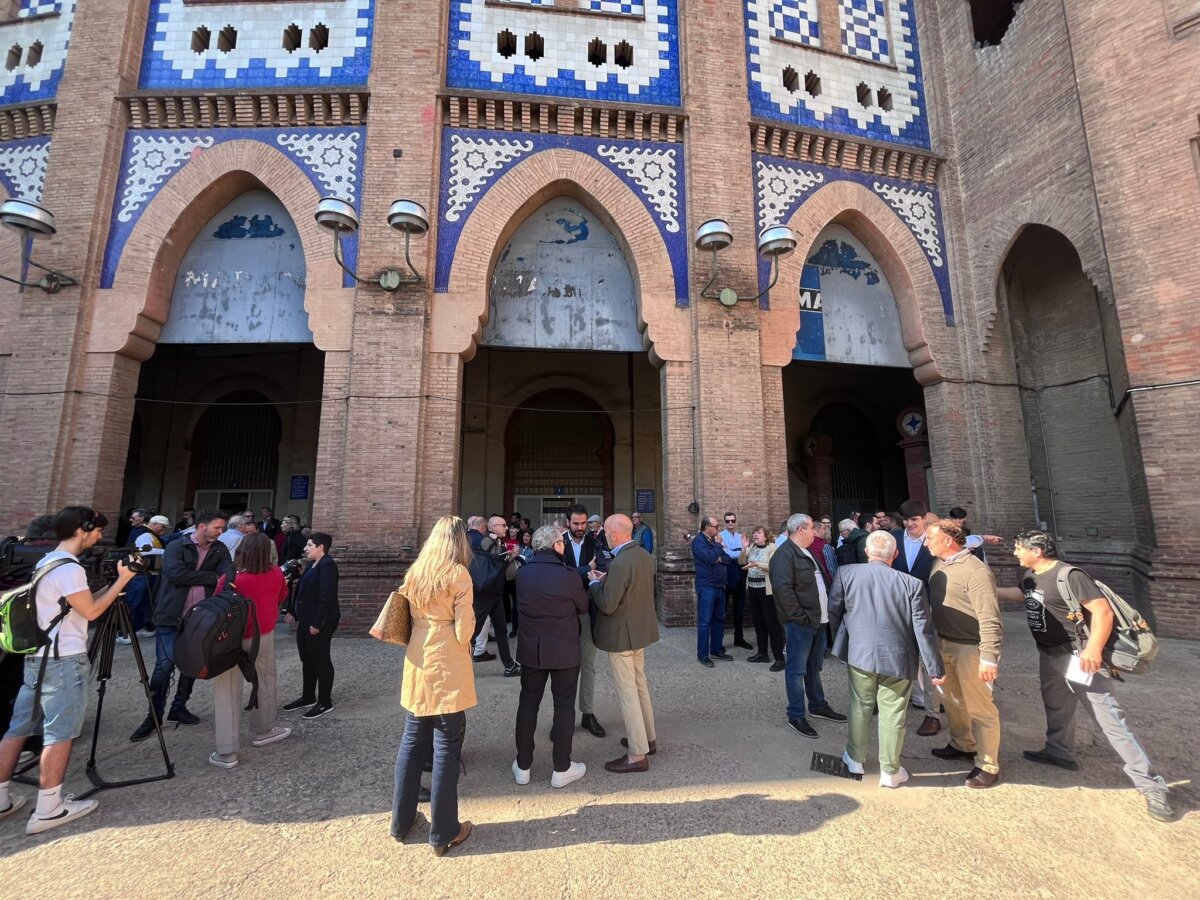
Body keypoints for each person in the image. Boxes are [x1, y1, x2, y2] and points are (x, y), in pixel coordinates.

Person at [995, 530, 1174, 822]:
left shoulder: (1070, 575)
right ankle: (1059, 751)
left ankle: (1151, 785)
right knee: (1056, 703)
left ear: (1037, 551)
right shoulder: (1031, 575)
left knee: (1108, 718)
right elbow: (1021, 594)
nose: (1015, 553)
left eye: (1019, 549)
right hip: (1049, 653)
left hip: (1076, 656)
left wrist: (1093, 650)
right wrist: (989, 588)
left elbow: (1102, 613)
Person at [0, 507, 135, 834]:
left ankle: (1, 798)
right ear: (82, 529)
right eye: (97, 530)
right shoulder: (69, 568)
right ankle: (49, 808)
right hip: (63, 660)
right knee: (60, 733)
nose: (100, 536)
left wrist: (113, 585)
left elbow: (77, 605)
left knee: (18, 727)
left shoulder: (47, 562)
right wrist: (123, 580)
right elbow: (90, 612)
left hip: (39, 656)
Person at [829, 531, 945, 788]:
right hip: (899, 656)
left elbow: (834, 610)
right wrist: (934, 667)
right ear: (895, 555)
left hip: (860, 652)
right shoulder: (912, 584)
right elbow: (923, 629)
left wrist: (843, 641)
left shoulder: (846, 573)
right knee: (893, 712)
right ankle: (890, 770)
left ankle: (855, 759)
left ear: (867, 552)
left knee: (860, 705)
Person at [391, 516, 476, 856]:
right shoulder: (458, 574)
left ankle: (401, 821)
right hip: (446, 657)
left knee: (412, 740)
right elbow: (463, 630)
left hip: (418, 654)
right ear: (459, 542)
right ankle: (444, 830)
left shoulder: (416, 571)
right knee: (446, 744)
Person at [130, 509, 232, 742]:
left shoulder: (219, 548)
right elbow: (175, 575)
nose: (221, 532)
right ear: (202, 526)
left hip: (200, 618)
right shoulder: (177, 546)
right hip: (171, 615)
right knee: (164, 667)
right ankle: (153, 715)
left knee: (192, 665)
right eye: (217, 527)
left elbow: (227, 575)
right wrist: (210, 577)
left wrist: (212, 578)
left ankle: (179, 707)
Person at [924, 519, 1002, 788]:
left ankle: (987, 763)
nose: (925, 543)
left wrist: (989, 656)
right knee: (953, 700)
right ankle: (962, 743)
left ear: (948, 540)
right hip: (945, 642)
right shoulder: (939, 564)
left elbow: (990, 617)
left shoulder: (976, 571)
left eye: (930, 538)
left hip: (970, 647)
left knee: (980, 707)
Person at [512, 526, 590, 788]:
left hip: (531, 649)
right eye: (561, 542)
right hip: (564, 650)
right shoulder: (567, 575)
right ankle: (561, 768)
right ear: (556, 545)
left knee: (528, 705)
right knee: (564, 706)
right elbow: (583, 606)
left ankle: (523, 765)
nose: (564, 545)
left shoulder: (523, 573)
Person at [209, 532, 291, 768]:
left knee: (227, 690)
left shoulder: (231, 578)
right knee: (265, 680)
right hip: (262, 634)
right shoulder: (276, 574)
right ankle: (264, 730)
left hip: (231, 639)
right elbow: (281, 597)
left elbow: (217, 605)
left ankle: (227, 752)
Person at [589, 514, 659, 774]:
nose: (604, 535)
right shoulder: (641, 555)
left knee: (627, 693)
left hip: (622, 635)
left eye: (606, 532)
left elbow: (608, 604)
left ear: (615, 534)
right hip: (639, 632)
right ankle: (647, 739)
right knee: (640, 687)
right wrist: (607, 580)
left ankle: (636, 754)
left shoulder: (619, 562)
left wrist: (595, 584)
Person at [769, 514, 845, 738]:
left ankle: (818, 705)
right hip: (802, 624)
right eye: (813, 528)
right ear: (801, 529)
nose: (816, 532)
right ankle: (796, 714)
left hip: (818, 622)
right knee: (796, 670)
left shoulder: (808, 552)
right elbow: (783, 591)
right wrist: (799, 617)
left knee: (814, 667)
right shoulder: (784, 555)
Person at [890, 500, 941, 736]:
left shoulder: (934, 540)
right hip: (899, 606)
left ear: (924, 520)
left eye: (914, 520)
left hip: (928, 606)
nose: (910, 524)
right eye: (906, 520)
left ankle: (933, 713)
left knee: (930, 659)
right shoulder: (895, 538)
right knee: (901, 655)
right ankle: (907, 700)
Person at [282, 532, 340, 720]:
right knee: (307, 658)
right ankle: (308, 696)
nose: (305, 548)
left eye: (309, 545)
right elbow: (301, 590)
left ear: (320, 547)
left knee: (321, 660)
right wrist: (292, 610)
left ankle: (325, 702)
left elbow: (327, 596)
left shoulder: (327, 565)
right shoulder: (311, 564)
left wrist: (318, 622)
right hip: (305, 619)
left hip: (320, 621)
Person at [561, 504, 605, 736]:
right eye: (576, 523)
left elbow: (605, 567)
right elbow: (559, 576)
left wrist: (598, 572)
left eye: (584, 523)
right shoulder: (557, 543)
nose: (580, 528)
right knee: (565, 667)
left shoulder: (595, 542)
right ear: (568, 522)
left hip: (587, 611)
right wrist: (587, 568)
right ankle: (564, 717)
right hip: (563, 613)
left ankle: (587, 713)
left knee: (589, 664)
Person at [466, 515, 520, 677]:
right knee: (472, 631)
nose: (506, 528)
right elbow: (496, 562)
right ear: (493, 526)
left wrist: (508, 556)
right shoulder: (485, 541)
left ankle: (509, 665)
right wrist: (510, 557)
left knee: (501, 629)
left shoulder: (492, 541)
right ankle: (456, 662)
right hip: (485, 593)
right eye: (503, 525)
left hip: (494, 592)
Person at [118, 513, 171, 642]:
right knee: (134, 601)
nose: (163, 530)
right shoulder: (145, 534)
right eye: (162, 527)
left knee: (144, 602)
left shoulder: (150, 534)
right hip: (139, 573)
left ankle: (138, 627)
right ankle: (124, 632)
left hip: (147, 573)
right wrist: (166, 551)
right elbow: (145, 551)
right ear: (154, 524)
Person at [741, 526, 783, 669]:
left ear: (766, 536)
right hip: (753, 589)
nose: (755, 535)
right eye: (754, 533)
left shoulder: (772, 547)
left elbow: (774, 566)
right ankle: (762, 653)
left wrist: (756, 564)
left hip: (767, 591)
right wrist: (743, 548)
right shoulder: (751, 547)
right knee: (758, 622)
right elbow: (741, 562)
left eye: (758, 533)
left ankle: (779, 658)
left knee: (772, 623)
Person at [691, 516, 730, 668]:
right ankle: (702, 655)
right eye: (716, 526)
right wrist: (718, 547)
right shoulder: (699, 541)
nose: (718, 529)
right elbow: (709, 557)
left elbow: (726, 559)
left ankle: (716, 649)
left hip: (720, 585)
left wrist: (717, 556)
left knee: (719, 619)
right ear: (707, 527)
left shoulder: (713, 542)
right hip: (706, 586)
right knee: (705, 622)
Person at [719, 512, 753, 650]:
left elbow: (746, 554)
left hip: (740, 573)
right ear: (724, 522)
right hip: (726, 574)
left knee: (739, 609)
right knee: (722, 609)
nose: (730, 523)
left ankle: (739, 638)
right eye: (728, 521)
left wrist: (735, 551)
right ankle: (718, 642)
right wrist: (739, 551)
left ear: (736, 521)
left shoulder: (741, 537)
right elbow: (725, 554)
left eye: (733, 520)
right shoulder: (720, 536)